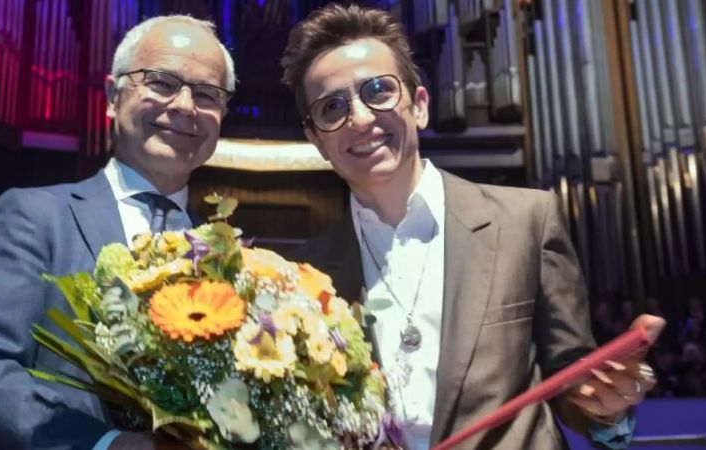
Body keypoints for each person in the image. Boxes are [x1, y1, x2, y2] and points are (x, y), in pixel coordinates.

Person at [280, 4, 664, 449]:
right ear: (317, 140)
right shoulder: (303, 275)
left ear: (419, 105)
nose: (361, 118)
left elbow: (571, 385)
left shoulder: (526, 221)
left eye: (379, 91)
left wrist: (607, 408)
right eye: (332, 107)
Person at [0, 15, 236, 450]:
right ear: (113, 97)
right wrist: (105, 445)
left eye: (207, 94)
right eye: (161, 82)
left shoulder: (231, 259)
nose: (185, 106)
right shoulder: (36, 215)